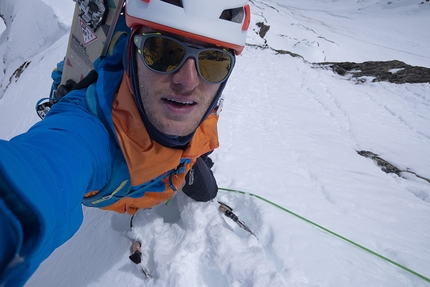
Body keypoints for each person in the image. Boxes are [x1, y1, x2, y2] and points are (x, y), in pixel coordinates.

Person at [0, 0, 251, 286]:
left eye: (213, 62)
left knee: (208, 192)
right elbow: (44, 169)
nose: (188, 81)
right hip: (135, 188)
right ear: (131, 52)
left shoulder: (201, 99)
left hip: (181, 165)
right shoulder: (93, 132)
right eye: (164, 52)